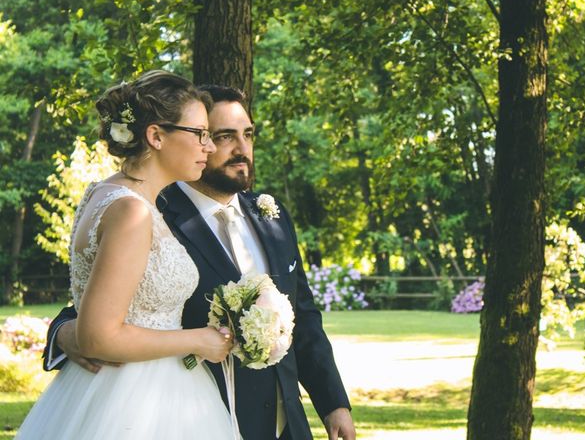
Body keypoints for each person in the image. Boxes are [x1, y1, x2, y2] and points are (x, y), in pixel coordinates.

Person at [45, 85, 357, 440]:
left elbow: (305, 315)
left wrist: (334, 404)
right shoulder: (151, 211)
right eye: (220, 135)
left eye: (248, 134)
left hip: (286, 423)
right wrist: (65, 334)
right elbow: (98, 310)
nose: (241, 150)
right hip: (183, 413)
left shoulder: (272, 217)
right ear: (159, 136)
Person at [20, 71, 235, 439]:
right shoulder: (132, 212)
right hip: (137, 399)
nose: (209, 147)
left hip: (124, 389)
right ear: (155, 136)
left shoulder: (104, 194)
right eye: (199, 133)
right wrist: (199, 340)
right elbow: (98, 337)